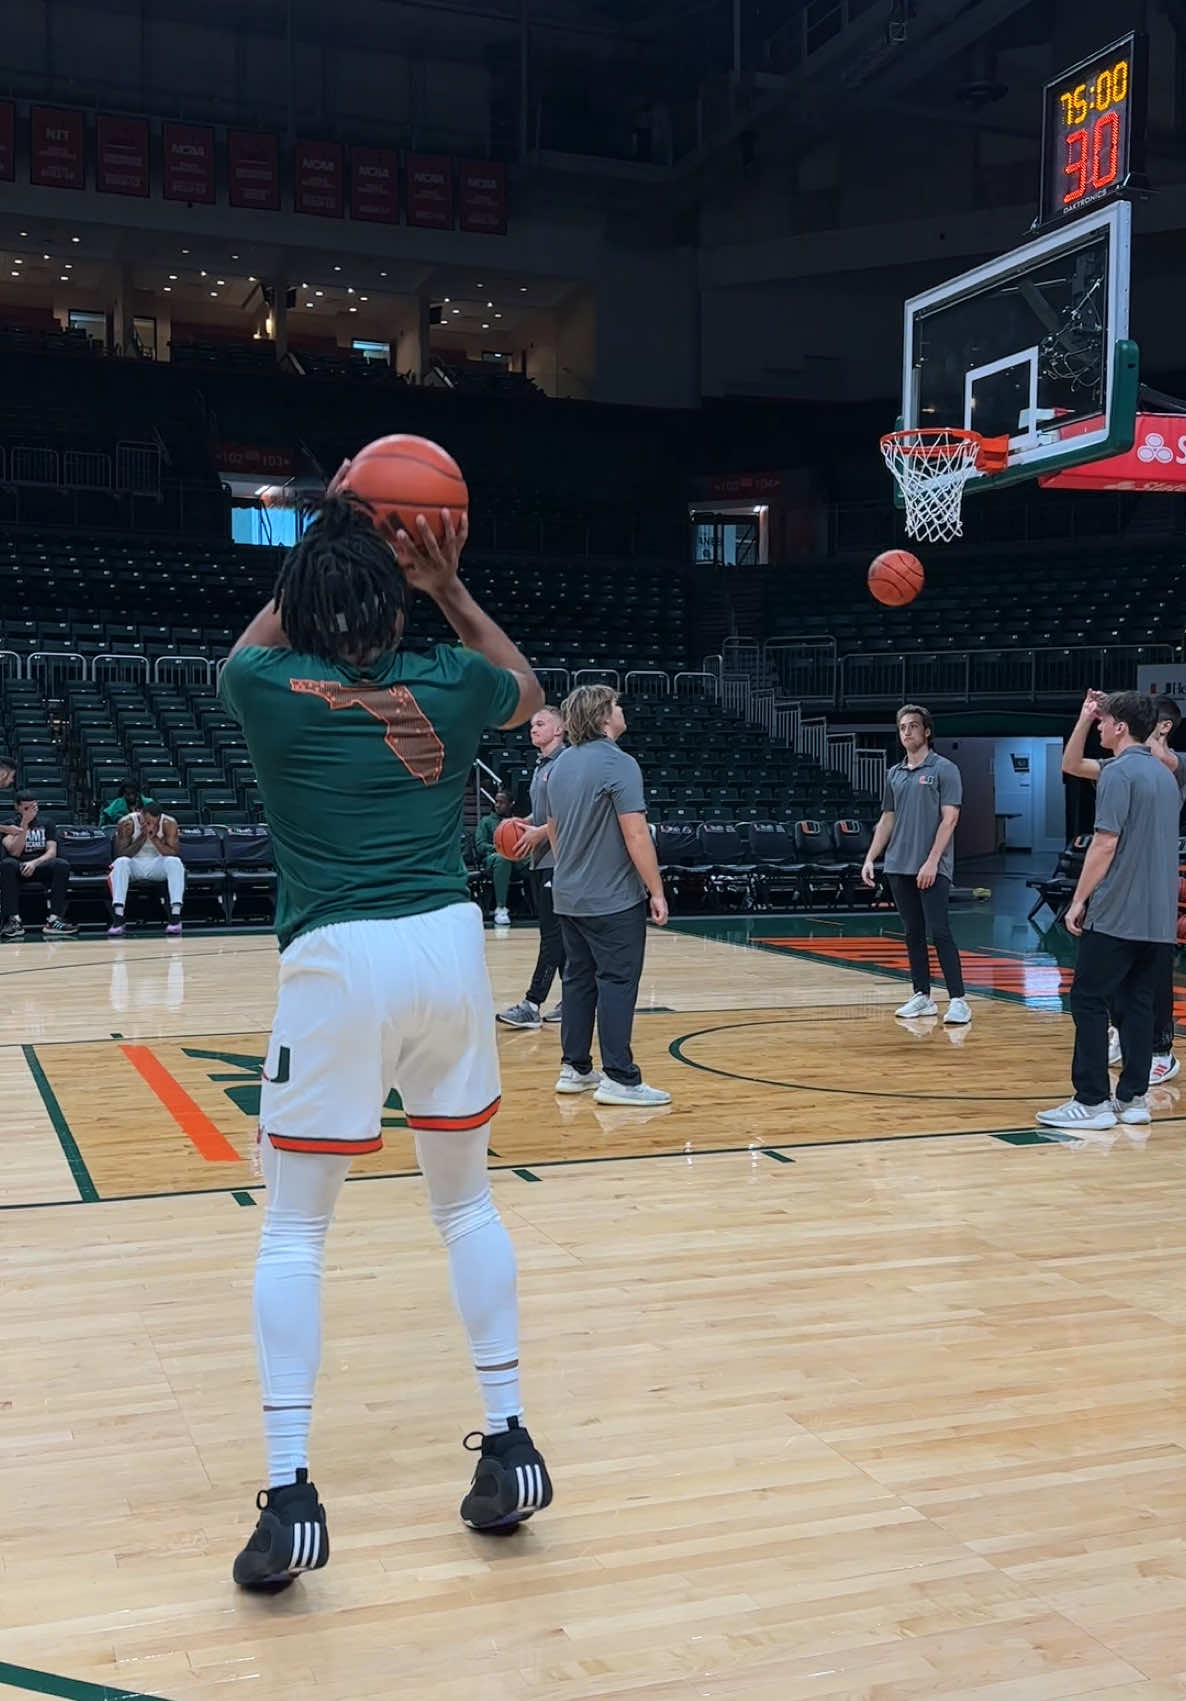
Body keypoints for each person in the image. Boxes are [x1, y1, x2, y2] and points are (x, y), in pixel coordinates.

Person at [218, 490, 551, 1592]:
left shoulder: (261, 688)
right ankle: (508, 1442)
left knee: (294, 1236)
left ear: (301, 606)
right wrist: (446, 584)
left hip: (337, 962)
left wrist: (320, 549)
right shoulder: (454, 681)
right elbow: (534, 698)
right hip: (448, 951)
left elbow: (252, 643)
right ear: (400, 611)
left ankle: (290, 1496)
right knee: (465, 1204)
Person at [1038, 691, 1181, 1131]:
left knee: (1088, 999)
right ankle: (1134, 1098)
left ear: (1120, 726)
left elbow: (1105, 843)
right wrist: (1084, 716)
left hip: (1118, 908)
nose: (1099, 727)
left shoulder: (1119, 775)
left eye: (1103, 721)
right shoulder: (1164, 776)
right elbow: (1072, 764)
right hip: (1158, 916)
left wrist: (1078, 899)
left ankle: (1093, 1100)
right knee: (1137, 1003)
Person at [545, 684, 671, 1107]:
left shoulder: (559, 766)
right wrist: (656, 890)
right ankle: (620, 1077)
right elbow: (636, 834)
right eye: (616, 705)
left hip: (568, 895)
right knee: (617, 982)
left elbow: (555, 832)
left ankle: (575, 1068)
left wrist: (570, 872)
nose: (622, 710)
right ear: (603, 717)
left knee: (579, 980)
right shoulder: (620, 763)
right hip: (612, 899)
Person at [861, 703, 970, 1025]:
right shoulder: (893, 774)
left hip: (932, 867)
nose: (907, 732)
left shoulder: (944, 769)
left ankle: (959, 1000)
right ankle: (922, 995)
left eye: (913, 726)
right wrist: (870, 857)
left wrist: (932, 862)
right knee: (912, 933)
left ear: (927, 731)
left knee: (940, 932)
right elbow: (887, 819)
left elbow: (950, 819)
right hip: (898, 865)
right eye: (902, 727)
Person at [498, 704, 567, 1028]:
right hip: (541, 860)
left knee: (552, 936)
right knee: (561, 935)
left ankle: (531, 1003)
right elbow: (544, 815)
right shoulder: (541, 766)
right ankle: (574, 998)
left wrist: (541, 831)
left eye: (541, 723)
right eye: (531, 725)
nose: (533, 728)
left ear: (560, 729)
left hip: (561, 860)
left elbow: (571, 815)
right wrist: (523, 822)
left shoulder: (566, 763)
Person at [1, 792, 77, 939]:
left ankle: (54, 920)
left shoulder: (47, 823)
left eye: (34, 807)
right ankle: (14, 920)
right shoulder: (9, 825)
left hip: (39, 865)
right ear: (17, 807)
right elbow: (15, 852)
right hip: (17, 868)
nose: (31, 811)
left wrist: (34, 863)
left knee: (61, 864)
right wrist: (24, 824)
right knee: (7, 864)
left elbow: (52, 852)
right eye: (26, 808)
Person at [107, 802, 186, 937]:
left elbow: (174, 853)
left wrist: (154, 838)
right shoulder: (127, 823)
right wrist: (143, 837)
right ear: (141, 814)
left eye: (154, 823)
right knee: (120, 863)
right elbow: (121, 854)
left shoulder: (169, 823)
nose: (150, 825)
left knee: (175, 862)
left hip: (157, 864)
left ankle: (175, 916)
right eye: (147, 821)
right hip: (134, 864)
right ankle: (119, 918)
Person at [474, 788, 518, 927]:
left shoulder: (517, 822)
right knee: (502, 859)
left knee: (537, 859)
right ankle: (501, 908)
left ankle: (544, 906)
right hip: (492, 859)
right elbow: (480, 846)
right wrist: (500, 848)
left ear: (511, 804)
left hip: (516, 857)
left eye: (502, 802)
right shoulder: (486, 821)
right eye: (496, 802)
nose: (498, 805)